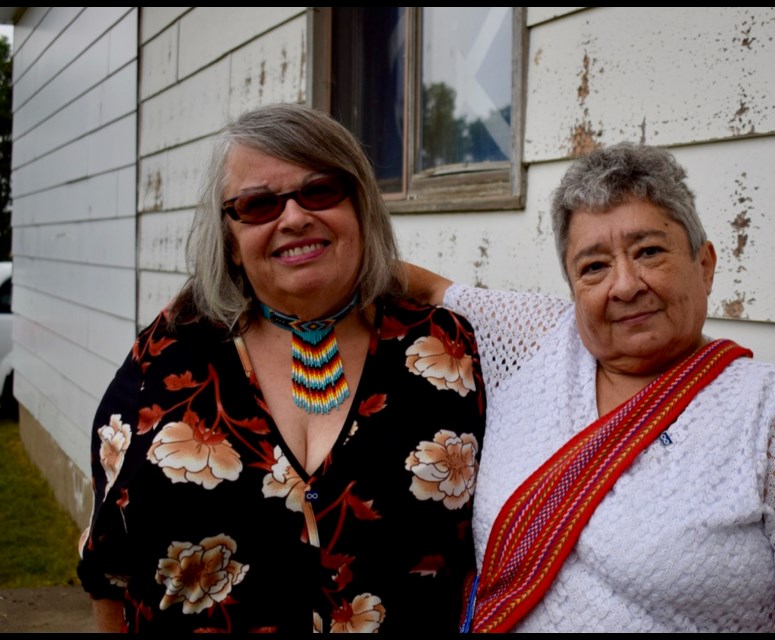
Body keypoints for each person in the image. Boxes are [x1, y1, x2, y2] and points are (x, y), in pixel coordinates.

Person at [406, 142, 775, 633]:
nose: (625, 285)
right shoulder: (542, 336)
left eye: (648, 252)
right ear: (572, 290)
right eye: (594, 267)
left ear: (705, 265)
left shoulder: (769, 406)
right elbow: (423, 287)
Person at [77, 103, 485, 633]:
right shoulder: (167, 353)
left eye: (320, 190)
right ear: (231, 239)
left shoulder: (450, 347)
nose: (293, 218)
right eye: (258, 204)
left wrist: (441, 288)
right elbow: (108, 562)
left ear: (361, 206)